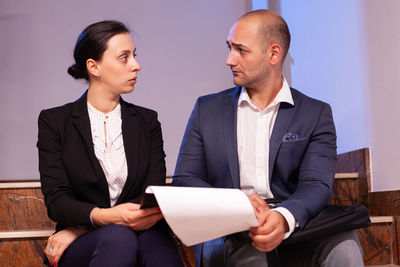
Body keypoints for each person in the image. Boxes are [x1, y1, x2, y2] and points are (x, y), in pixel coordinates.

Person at [173, 10, 364, 267]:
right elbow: (186, 179)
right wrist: (236, 204)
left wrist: (285, 217)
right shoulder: (206, 110)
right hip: (228, 229)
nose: (229, 59)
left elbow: (316, 184)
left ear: (273, 54)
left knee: (345, 245)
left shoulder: (315, 113)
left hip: (295, 225)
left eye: (241, 50)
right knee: (249, 256)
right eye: (229, 48)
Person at [37, 20, 183, 267]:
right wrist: (100, 219)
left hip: (139, 231)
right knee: (118, 238)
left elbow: (151, 194)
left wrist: (82, 228)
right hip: (86, 246)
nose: (136, 66)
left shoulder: (147, 121)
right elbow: (57, 201)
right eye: (124, 58)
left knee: (157, 248)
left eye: (134, 56)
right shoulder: (55, 122)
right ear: (94, 67)